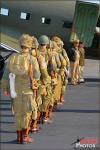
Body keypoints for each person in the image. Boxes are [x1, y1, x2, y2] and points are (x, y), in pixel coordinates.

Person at [3, 34, 40, 144]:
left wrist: (5, 88)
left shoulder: (13, 58)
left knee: (18, 114)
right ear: (29, 47)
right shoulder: (32, 59)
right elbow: (37, 75)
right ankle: (25, 136)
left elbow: (6, 75)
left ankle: (19, 137)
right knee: (27, 114)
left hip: (15, 91)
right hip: (28, 91)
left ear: (20, 45)